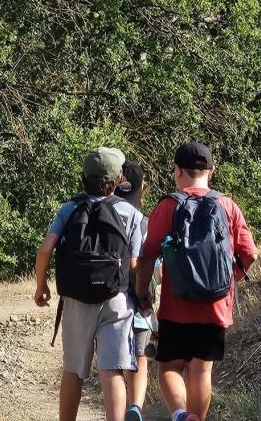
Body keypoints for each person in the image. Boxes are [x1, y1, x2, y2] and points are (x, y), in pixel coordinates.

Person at [135, 142, 258, 421]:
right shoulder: (227, 205)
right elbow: (250, 254)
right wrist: (229, 280)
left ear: (177, 171)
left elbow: (147, 257)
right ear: (211, 171)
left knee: (168, 367)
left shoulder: (168, 206)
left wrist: (142, 295)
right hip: (215, 306)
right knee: (202, 371)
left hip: (176, 305)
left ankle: (180, 415)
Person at [34, 147, 144, 421]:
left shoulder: (69, 208)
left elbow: (45, 248)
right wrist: (142, 297)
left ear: (84, 177)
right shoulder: (129, 213)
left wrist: (41, 285)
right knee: (112, 369)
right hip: (116, 299)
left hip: (76, 299)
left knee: (73, 369)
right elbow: (133, 266)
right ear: (119, 179)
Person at [113, 161, 153, 421]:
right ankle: (135, 406)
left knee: (113, 359)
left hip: (110, 298)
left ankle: (115, 410)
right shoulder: (146, 222)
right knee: (140, 354)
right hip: (138, 301)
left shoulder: (103, 212)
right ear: (144, 189)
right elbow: (150, 268)